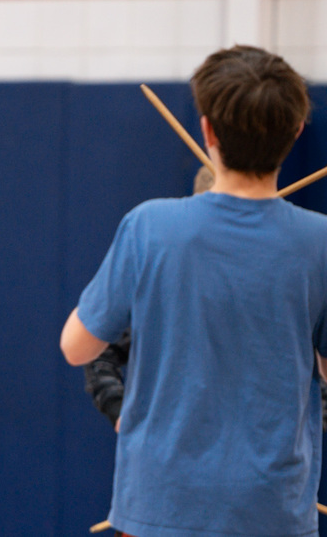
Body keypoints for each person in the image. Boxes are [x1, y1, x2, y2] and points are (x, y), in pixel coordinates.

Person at [60, 45, 327, 537]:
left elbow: (77, 347)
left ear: (206, 131)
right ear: (296, 132)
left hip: (161, 506)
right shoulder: (321, 243)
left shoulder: (149, 227)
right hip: (273, 511)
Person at [83, 167, 214, 431]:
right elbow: (94, 352)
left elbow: (316, 358)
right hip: (169, 454)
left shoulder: (281, 275)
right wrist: (119, 410)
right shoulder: (161, 291)